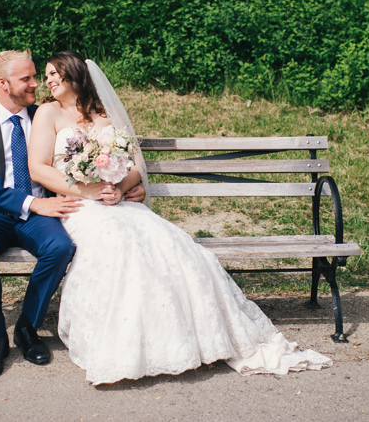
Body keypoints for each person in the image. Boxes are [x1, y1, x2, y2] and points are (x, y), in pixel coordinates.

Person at [29, 50, 332, 385]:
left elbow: (134, 168)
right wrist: (87, 192)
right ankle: (131, 342)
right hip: (79, 207)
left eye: (54, 73)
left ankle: (188, 336)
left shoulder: (104, 114)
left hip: (117, 203)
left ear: (73, 74)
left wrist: (120, 187)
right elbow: (38, 168)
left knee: (172, 243)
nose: (49, 81)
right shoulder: (48, 113)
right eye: (46, 76)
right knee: (118, 244)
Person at [0, 49, 146, 381]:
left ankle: (27, 327)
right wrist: (30, 204)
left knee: (60, 248)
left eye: (35, 76)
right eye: (26, 78)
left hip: (46, 210)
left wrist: (124, 186)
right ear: (3, 83)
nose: (35, 84)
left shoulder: (45, 113)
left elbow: (90, 157)